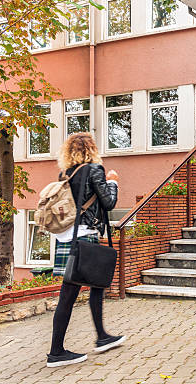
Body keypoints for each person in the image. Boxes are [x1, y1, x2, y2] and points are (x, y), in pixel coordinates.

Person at [47, 133, 125, 367]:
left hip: (67, 237)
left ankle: (102, 336)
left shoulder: (66, 173)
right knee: (71, 294)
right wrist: (112, 182)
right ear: (91, 149)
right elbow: (108, 203)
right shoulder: (94, 169)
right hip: (85, 237)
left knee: (92, 287)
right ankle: (56, 352)